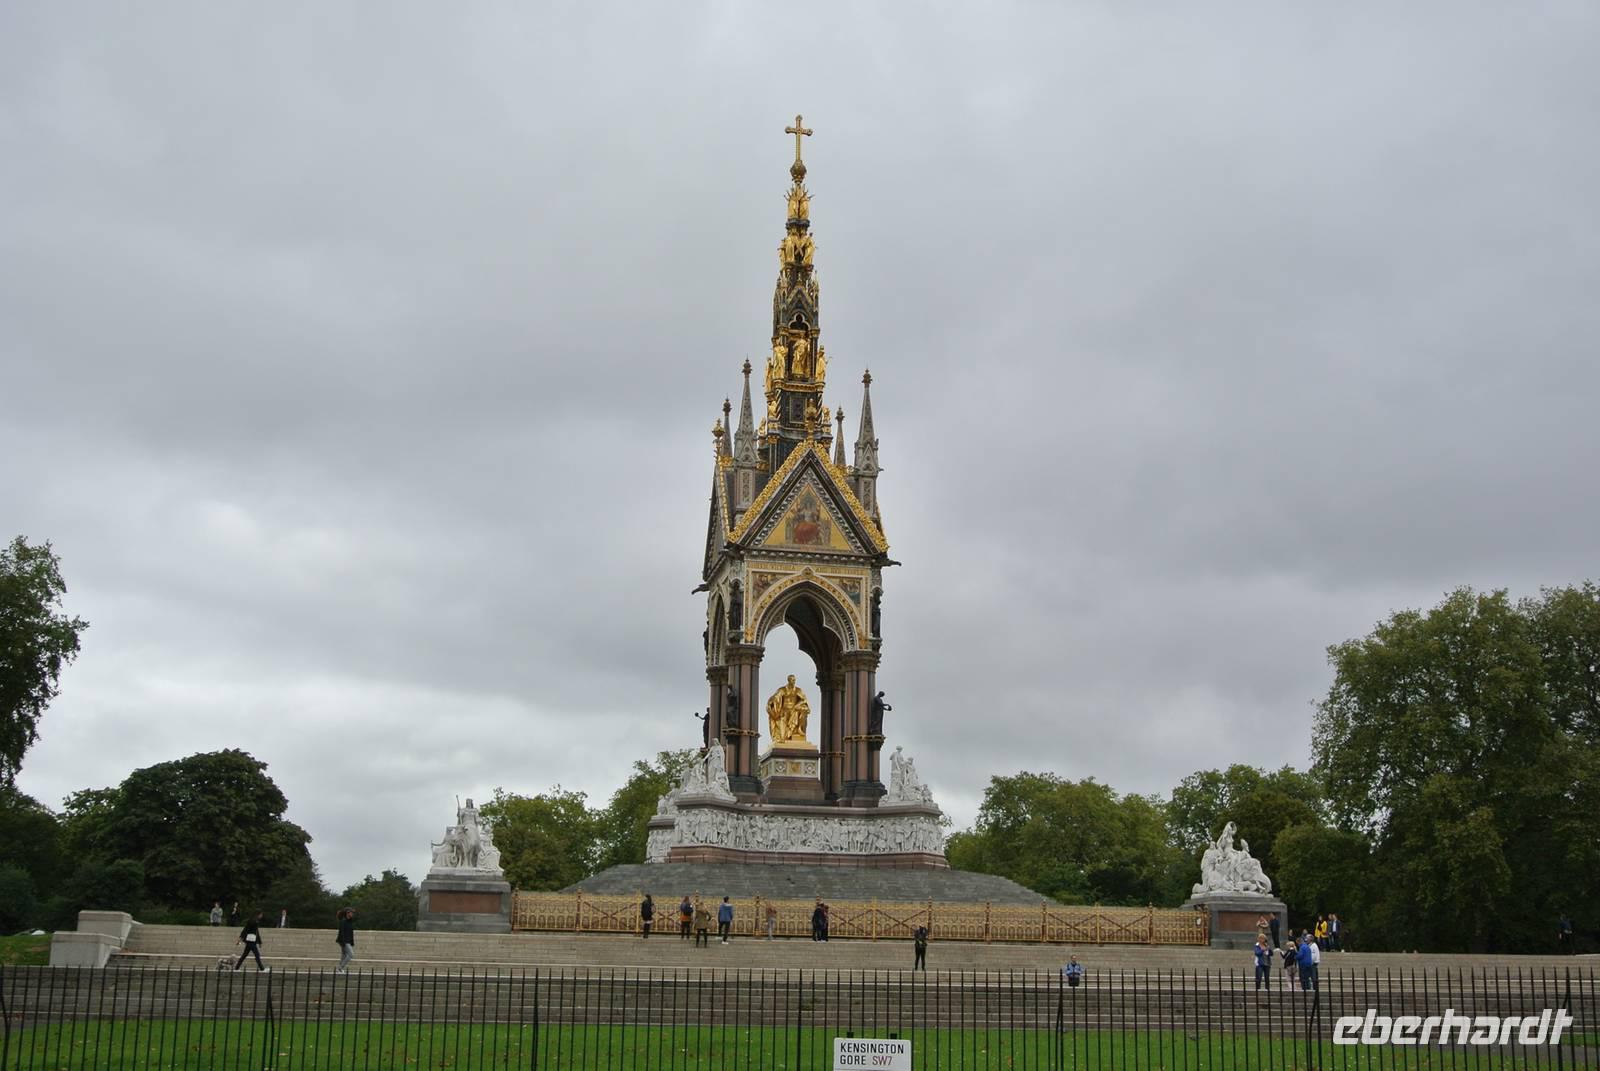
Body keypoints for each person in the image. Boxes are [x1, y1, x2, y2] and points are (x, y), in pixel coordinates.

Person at [335, 907, 356, 974]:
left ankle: (339, 970)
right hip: (344, 941)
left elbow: (350, 933)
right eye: (351, 912)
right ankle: (340, 968)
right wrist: (343, 942)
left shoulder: (350, 922)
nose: (352, 914)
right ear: (347, 913)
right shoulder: (343, 921)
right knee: (351, 954)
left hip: (348, 941)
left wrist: (352, 941)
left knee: (344, 955)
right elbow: (342, 932)